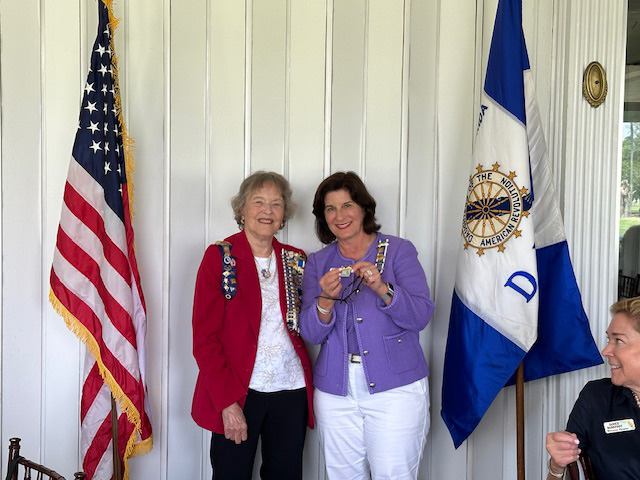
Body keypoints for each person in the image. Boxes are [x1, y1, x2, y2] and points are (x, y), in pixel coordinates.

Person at [300, 171, 434, 479]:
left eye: (347, 205)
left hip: (395, 388)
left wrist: (383, 289)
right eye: (330, 209)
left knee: (393, 474)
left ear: (363, 208)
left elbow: (420, 317)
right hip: (335, 392)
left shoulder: (398, 250)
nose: (339, 216)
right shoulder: (318, 262)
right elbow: (311, 333)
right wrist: (325, 300)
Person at [191, 171, 314, 480]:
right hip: (239, 391)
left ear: (284, 213)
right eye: (258, 202)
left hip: (291, 390)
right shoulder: (220, 257)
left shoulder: (296, 260)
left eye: (276, 203)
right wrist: (226, 402)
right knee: (231, 474)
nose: (267, 211)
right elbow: (205, 340)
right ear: (242, 209)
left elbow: (312, 323)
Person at [545, 297, 640, 479]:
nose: (605, 351)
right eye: (609, 339)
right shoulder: (597, 397)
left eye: (618, 340)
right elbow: (563, 466)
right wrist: (556, 466)